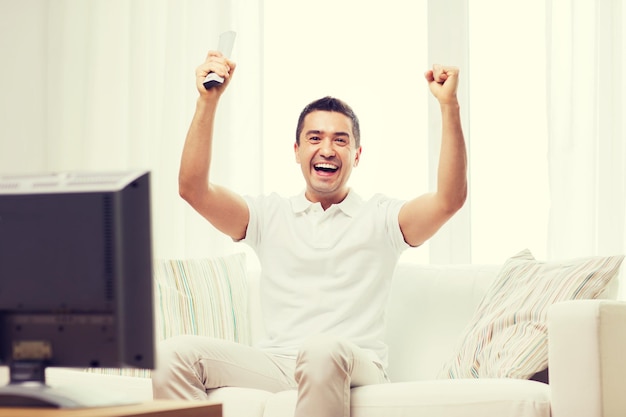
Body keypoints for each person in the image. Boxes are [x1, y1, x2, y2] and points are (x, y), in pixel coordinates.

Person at [152, 49, 467, 417]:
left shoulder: (382, 218)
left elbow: (449, 199)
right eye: (315, 138)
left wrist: (450, 107)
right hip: (279, 364)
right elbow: (193, 189)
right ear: (298, 150)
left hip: (354, 365)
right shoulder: (269, 216)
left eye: (340, 140)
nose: (327, 149)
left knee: (321, 349)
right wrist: (208, 100)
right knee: (173, 355)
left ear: (357, 154)